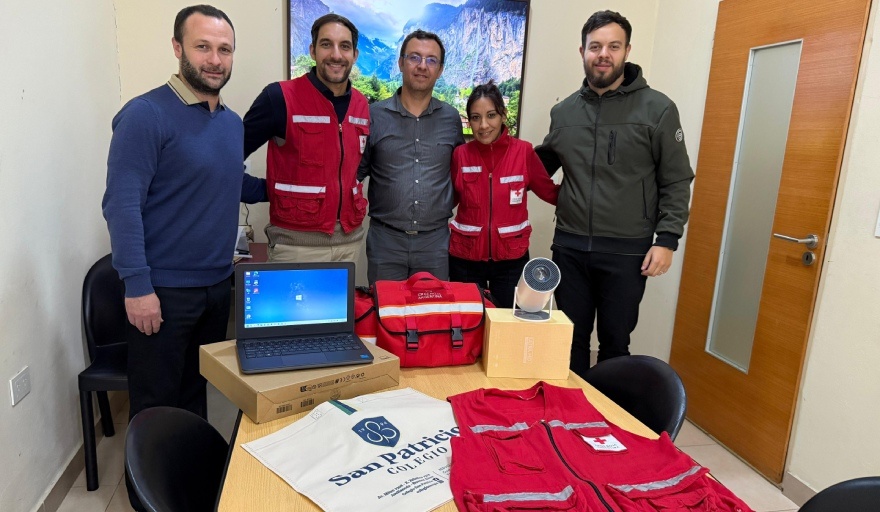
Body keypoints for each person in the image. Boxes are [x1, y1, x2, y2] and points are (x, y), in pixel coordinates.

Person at [103, 5, 265, 422]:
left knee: (194, 397)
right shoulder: (145, 115)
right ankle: (152, 470)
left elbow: (231, 182)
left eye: (224, 49)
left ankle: (192, 467)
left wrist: (295, 192)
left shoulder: (231, 123)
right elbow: (121, 205)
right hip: (163, 291)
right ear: (178, 48)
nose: (215, 60)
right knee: (156, 410)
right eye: (202, 47)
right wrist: (137, 287)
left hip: (217, 287)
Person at [535, 10, 694, 375]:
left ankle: (609, 410)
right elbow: (539, 165)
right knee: (569, 338)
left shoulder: (658, 109)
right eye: (595, 46)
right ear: (583, 52)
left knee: (615, 343)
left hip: (627, 251)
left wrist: (667, 240)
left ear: (627, 51)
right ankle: (574, 406)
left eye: (613, 46)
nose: (603, 54)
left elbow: (676, 179)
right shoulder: (564, 112)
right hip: (570, 248)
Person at [243, 14, 369, 262]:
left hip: (349, 243)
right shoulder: (279, 97)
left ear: (354, 55)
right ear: (313, 51)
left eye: (344, 46)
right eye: (326, 44)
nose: (336, 55)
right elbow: (226, 158)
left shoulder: (362, 104)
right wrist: (265, 190)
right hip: (296, 247)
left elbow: (353, 165)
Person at [358, 30, 465, 283]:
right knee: (385, 308)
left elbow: (461, 174)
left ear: (440, 70)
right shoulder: (374, 116)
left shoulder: (451, 118)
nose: (422, 66)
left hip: (435, 243)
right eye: (414, 57)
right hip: (385, 241)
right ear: (400, 63)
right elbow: (356, 173)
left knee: (433, 309)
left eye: (431, 60)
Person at [449, 82, 559, 308]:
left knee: (507, 321)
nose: (483, 125)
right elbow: (446, 201)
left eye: (491, 115)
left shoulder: (523, 151)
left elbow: (550, 192)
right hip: (465, 259)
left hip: (511, 259)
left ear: (503, 115)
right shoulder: (460, 155)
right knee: (470, 322)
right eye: (476, 118)